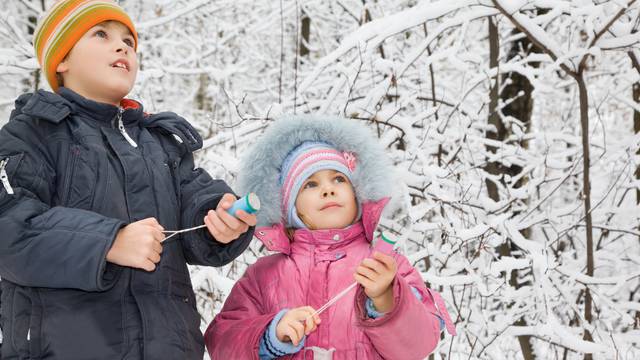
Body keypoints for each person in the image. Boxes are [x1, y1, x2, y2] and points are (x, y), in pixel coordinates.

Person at [0, 1, 255, 359]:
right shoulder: (31, 133)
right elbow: (10, 228)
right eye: (101, 34)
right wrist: (108, 242)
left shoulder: (160, 143)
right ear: (61, 61)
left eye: (129, 42)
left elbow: (196, 204)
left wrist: (220, 219)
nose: (122, 47)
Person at [205, 115, 456, 359]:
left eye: (339, 178)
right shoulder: (264, 276)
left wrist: (386, 298)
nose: (328, 189)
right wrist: (271, 335)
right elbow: (222, 342)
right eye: (310, 184)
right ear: (289, 207)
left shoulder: (386, 266)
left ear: (358, 194)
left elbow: (419, 346)